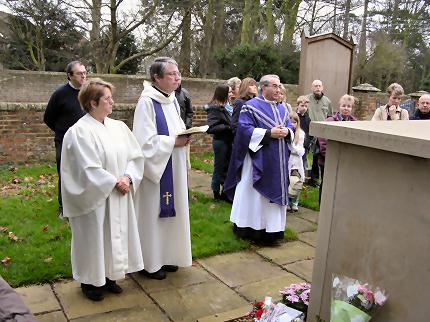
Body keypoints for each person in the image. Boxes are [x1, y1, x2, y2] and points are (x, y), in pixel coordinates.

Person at [60, 78, 145, 301]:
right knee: (94, 237)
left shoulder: (119, 127)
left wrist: (128, 177)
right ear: (92, 103)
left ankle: (110, 276)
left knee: (114, 236)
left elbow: (135, 156)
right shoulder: (79, 132)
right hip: (95, 198)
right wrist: (114, 182)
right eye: (107, 99)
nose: (112, 102)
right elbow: (86, 167)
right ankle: (90, 282)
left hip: (119, 193)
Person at [133, 57, 192, 280]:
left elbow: (175, 129)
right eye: (172, 74)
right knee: (153, 216)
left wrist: (185, 136)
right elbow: (143, 142)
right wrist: (172, 142)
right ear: (156, 78)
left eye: (178, 73)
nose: (178, 78)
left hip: (173, 167)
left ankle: (167, 256)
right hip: (155, 172)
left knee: (171, 215)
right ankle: (150, 262)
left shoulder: (172, 100)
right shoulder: (147, 102)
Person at [224, 74, 294, 245]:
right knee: (255, 196)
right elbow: (244, 130)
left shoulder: (283, 108)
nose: (279, 90)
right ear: (264, 87)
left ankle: (273, 231)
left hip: (278, 162)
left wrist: (287, 132)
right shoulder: (250, 107)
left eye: (280, 86)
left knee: (274, 197)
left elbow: (291, 126)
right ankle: (251, 229)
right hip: (258, 160)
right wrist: (269, 134)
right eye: (275, 86)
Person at [43, 61, 87, 215]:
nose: (83, 76)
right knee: (65, 172)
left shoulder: (87, 93)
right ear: (70, 75)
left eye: (85, 72)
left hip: (85, 140)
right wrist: (64, 133)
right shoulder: (60, 94)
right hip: (64, 140)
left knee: (85, 170)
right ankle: (64, 208)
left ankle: (83, 203)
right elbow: (48, 117)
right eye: (79, 73)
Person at [318, 94, 357, 204]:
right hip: (328, 160)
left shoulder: (356, 123)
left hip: (346, 161)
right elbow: (323, 141)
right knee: (327, 184)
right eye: (344, 105)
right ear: (339, 106)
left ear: (352, 108)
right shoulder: (330, 121)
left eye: (349, 106)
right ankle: (323, 207)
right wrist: (331, 156)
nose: (346, 108)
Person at [206, 84, 234, 201]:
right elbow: (211, 127)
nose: (231, 94)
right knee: (219, 167)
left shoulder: (228, 107)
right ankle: (216, 192)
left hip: (229, 140)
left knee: (227, 167)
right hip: (220, 141)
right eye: (229, 92)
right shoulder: (214, 108)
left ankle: (225, 192)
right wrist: (227, 127)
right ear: (223, 94)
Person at [306, 80, 333, 188]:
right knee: (304, 154)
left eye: (319, 86)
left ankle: (315, 179)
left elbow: (330, 117)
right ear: (312, 88)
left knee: (317, 156)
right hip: (309, 130)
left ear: (322, 87)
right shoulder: (307, 99)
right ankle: (303, 176)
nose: (317, 88)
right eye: (315, 86)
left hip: (321, 133)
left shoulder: (327, 101)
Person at [287, 112, 305, 212]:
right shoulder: (288, 132)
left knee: (296, 180)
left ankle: (294, 202)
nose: (293, 124)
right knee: (288, 181)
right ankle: (287, 202)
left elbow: (299, 150)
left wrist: (292, 146)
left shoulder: (300, 133)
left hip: (296, 160)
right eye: (291, 122)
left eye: (295, 122)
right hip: (288, 159)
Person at [296, 96, 312, 179]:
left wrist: (308, 142)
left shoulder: (307, 118)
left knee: (303, 161)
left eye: (306, 106)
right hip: (296, 144)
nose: (304, 108)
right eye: (302, 106)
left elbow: (310, 131)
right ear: (298, 105)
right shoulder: (295, 117)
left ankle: (302, 178)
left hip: (305, 145)